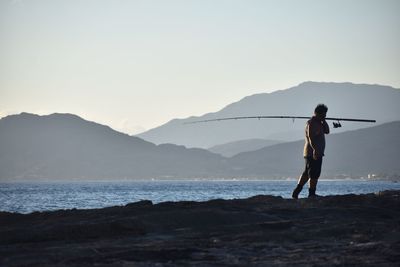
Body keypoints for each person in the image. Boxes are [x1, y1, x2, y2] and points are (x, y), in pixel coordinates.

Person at [292, 104, 330, 198]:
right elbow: (311, 138)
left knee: (307, 173)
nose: (325, 116)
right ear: (318, 113)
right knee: (314, 173)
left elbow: (327, 131)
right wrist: (315, 150)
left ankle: (296, 192)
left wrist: (324, 121)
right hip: (312, 153)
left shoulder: (320, 122)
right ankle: (311, 194)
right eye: (324, 114)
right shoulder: (312, 123)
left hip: (315, 152)